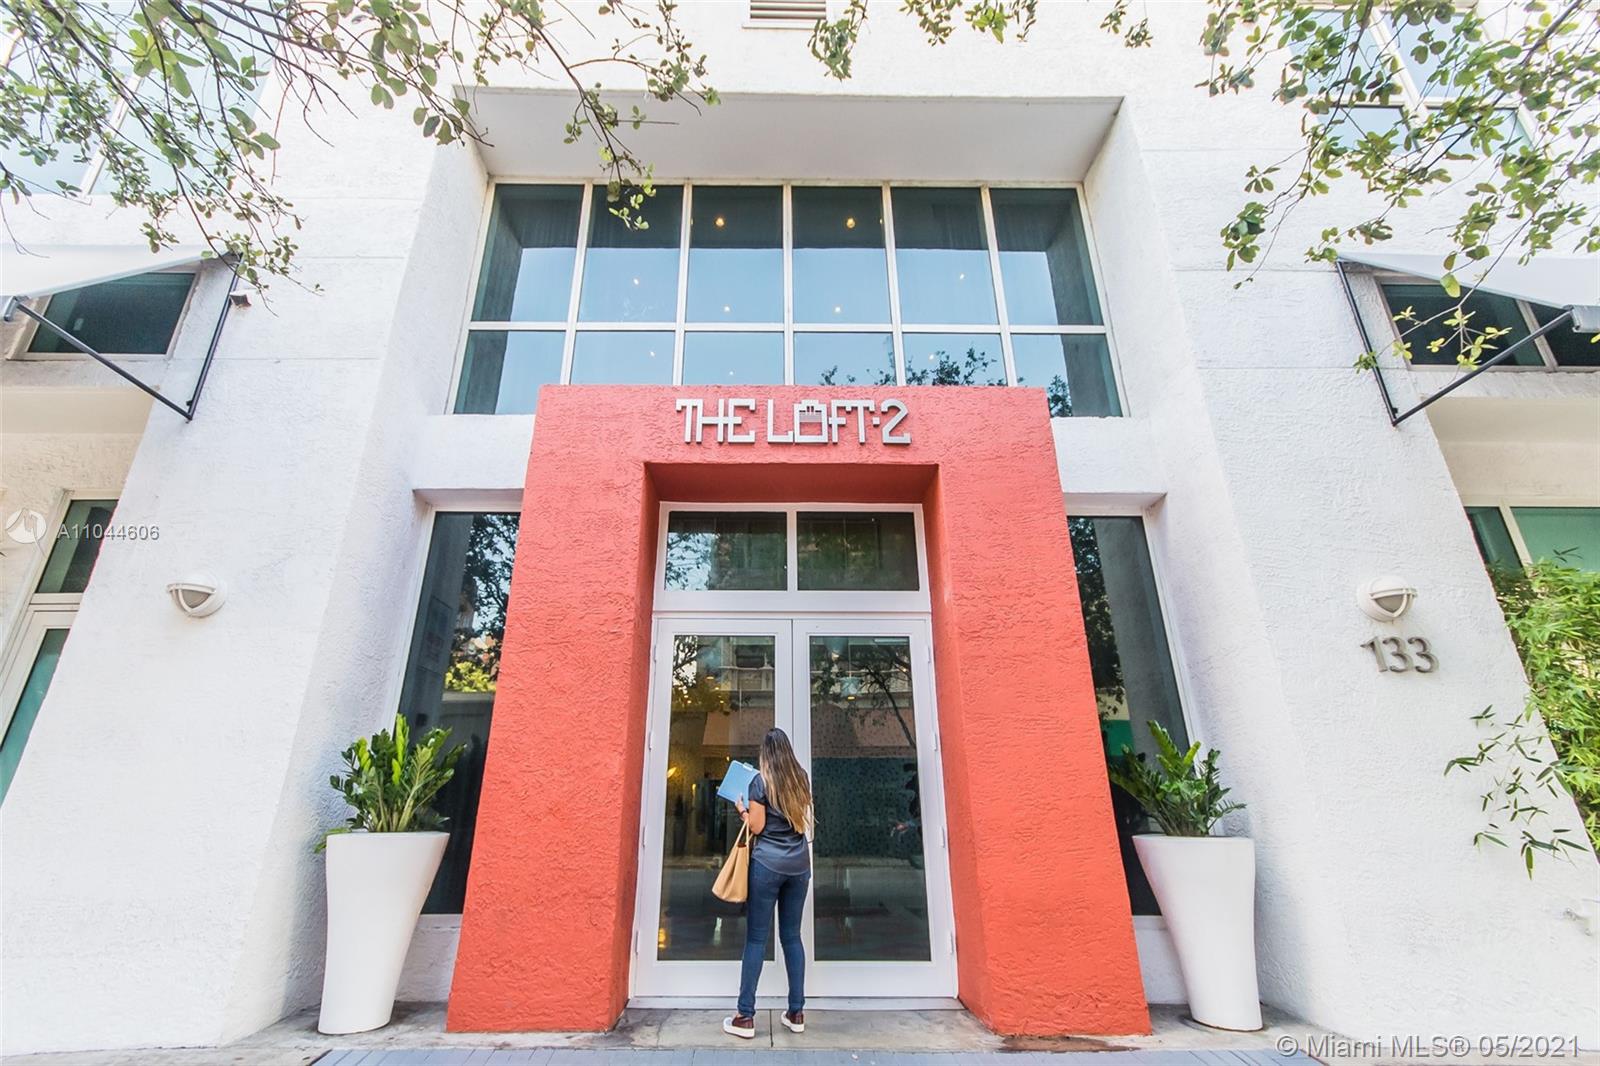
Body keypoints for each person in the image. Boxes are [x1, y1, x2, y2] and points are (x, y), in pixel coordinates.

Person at [722, 727, 813, 1039]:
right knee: (792, 938)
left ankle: (745, 1016)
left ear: (766, 754)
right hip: (799, 866)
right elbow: (799, 821)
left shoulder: (760, 782)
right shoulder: (800, 778)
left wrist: (742, 810)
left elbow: (758, 827)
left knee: (756, 940)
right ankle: (796, 1012)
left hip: (768, 866)